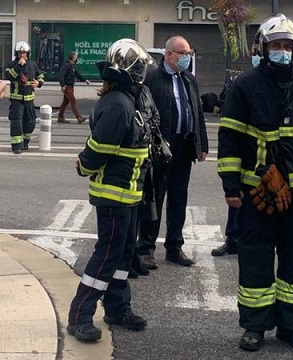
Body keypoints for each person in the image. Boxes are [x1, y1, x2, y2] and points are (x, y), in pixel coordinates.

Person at [217, 13, 293, 353]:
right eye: (276, 45)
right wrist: (230, 185)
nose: (282, 51)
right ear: (263, 48)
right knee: (255, 258)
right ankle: (254, 327)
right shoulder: (245, 86)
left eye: (287, 46)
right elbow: (230, 138)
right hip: (257, 190)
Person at [67, 38, 154, 342]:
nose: (143, 72)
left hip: (128, 194)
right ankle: (80, 315)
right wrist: (83, 165)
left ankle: (117, 309)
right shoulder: (119, 104)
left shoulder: (127, 98)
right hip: (114, 194)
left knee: (123, 255)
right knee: (106, 256)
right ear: (130, 70)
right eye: (140, 66)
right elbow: (100, 149)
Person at [136, 35, 208, 269]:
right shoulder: (152, 79)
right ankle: (146, 248)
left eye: (189, 53)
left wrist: (201, 145)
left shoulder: (189, 79)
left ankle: (174, 247)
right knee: (154, 199)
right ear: (168, 54)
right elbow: (144, 113)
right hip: (160, 149)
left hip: (184, 148)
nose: (187, 57)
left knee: (179, 199)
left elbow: (197, 112)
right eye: (183, 53)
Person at [211, 29, 265, 258]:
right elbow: (230, 129)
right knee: (238, 201)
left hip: (268, 158)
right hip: (245, 155)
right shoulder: (245, 82)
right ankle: (233, 239)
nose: (254, 55)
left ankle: (255, 242)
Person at [5, 41, 44, 154]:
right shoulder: (11, 65)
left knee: (31, 121)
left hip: (29, 99)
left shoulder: (32, 65)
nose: (22, 55)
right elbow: (9, 76)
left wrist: (38, 83)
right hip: (17, 99)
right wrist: (18, 66)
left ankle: (25, 141)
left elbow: (40, 76)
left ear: (28, 53)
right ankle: (16, 146)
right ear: (16, 53)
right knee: (16, 121)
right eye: (20, 53)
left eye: (24, 53)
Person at [58, 51, 91, 124]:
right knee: (73, 101)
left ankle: (60, 117)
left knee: (65, 102)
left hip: (70, 86)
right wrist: (62, 85)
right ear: (73, 57)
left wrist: (85, 80)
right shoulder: (66, 65)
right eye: (76, 56)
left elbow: (77, 74)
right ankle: (78, 117)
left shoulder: (71, 65)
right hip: (67, 87)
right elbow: (61, 75)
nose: (77, 57)